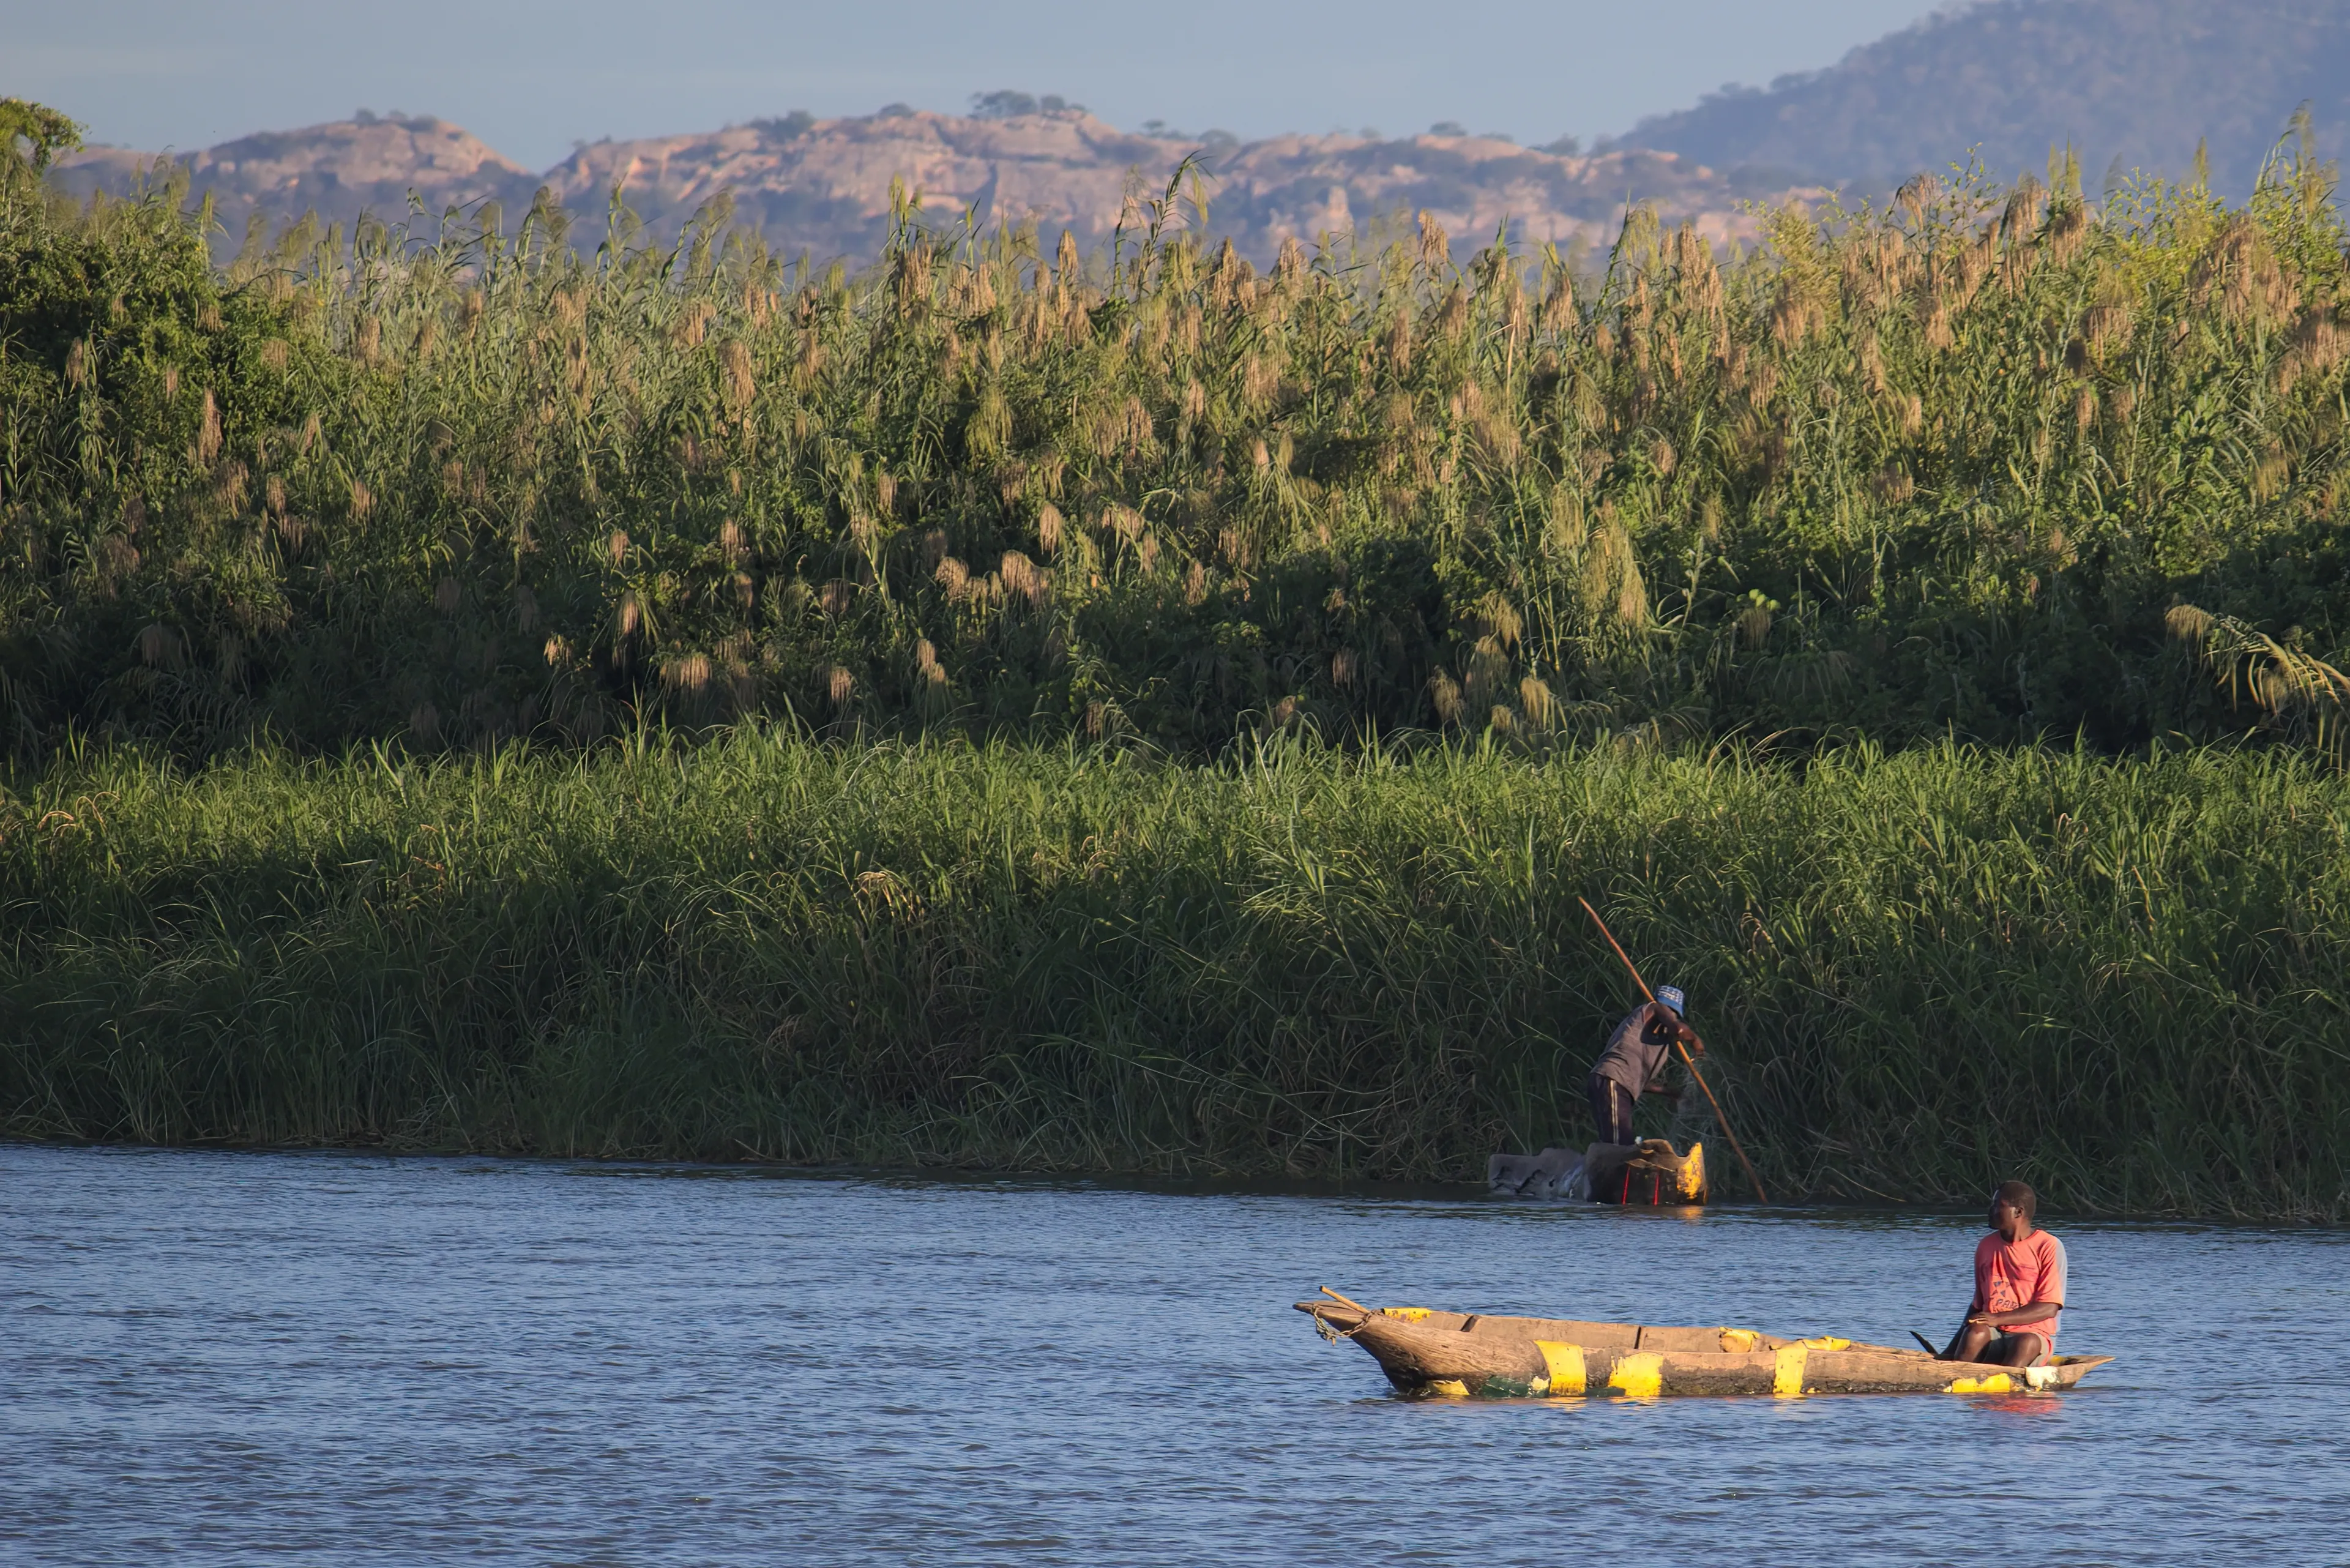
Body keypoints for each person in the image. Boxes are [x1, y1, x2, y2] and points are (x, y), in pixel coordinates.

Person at [1939, 1180, 2067, 1366]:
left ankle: (2007, 1387)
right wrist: (1949, 1352)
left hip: (2033, 1334)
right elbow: (1978, 1305)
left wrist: (1996, 1318)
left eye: (1998, 1205)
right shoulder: (1986, 1246)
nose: (1991, 1210)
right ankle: (1958, 1377)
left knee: (2026, 1343)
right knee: (1975, 1332)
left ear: (2018, 1212)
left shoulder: (2048, 1246)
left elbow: (2049, 1308)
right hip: (1994, 1331)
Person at [1588, 985, 1700, 1146]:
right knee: (1620, 1148)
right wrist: (1696, 1042)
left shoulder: (1654, 1039)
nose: (1671, 1017)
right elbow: (1679, 1030)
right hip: (1612, 1080)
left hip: (1611, 1082)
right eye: (1671, 1014)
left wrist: (1671, 1092)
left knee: (1615, 1144)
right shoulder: (1655, 1008)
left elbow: (1638, 1080)